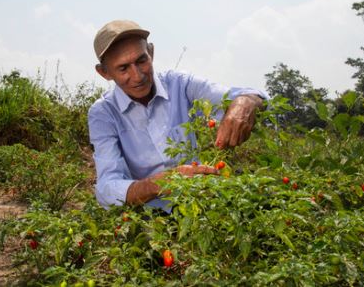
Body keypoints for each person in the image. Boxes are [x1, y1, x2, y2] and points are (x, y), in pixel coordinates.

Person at [89, 20, 268, 211]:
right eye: (123, 68)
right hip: (149, 219)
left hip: (201, 203)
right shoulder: (103, 113)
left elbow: (250, 97)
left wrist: (245, 103)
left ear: (151, 53)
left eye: (141, 61)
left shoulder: (180, 84)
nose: (137, 75)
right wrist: (163, 183)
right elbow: (107, 189)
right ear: (104, 73)